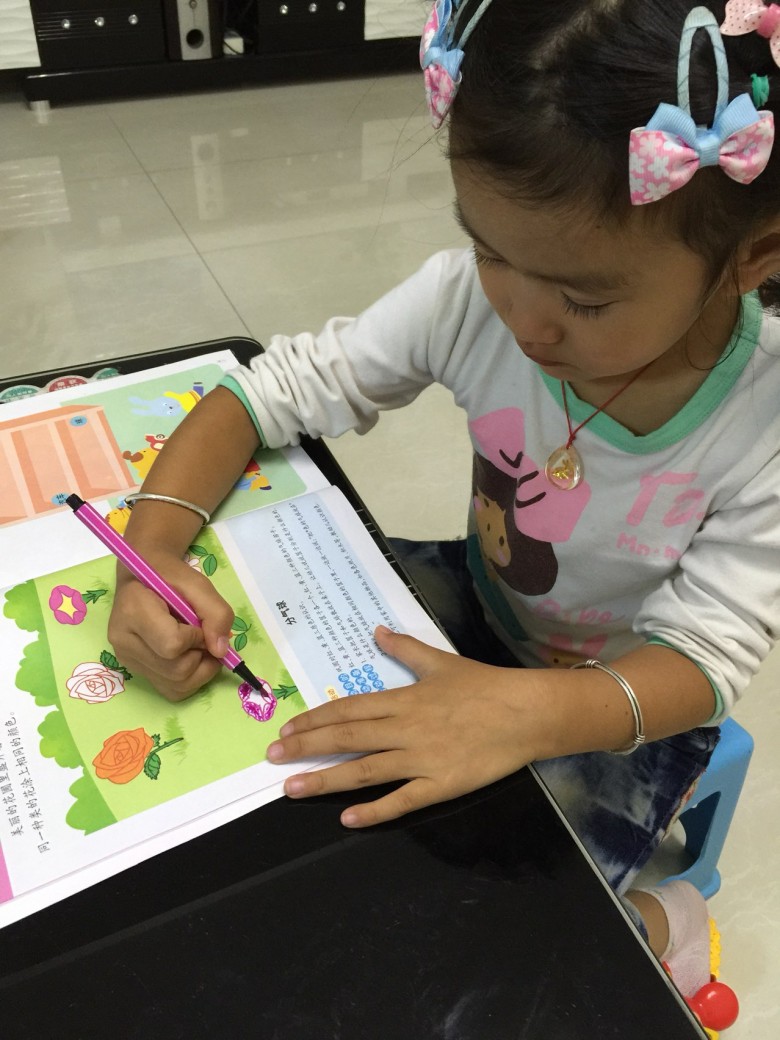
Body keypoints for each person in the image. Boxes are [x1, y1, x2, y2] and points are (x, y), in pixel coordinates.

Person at [108, 0, 780, 1002]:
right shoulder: (470, 299)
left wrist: (518, 712)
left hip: (619, 707)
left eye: (584, 299)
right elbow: (262, 394)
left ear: (752, 258)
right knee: (277, 791)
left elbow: (704, 658)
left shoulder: (763, 424)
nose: (525, 320)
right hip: (476, 602)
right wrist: (153, 552)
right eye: (489, 249)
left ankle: (662, 921)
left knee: (482, 943)